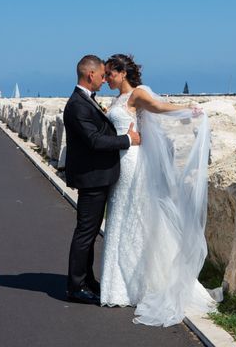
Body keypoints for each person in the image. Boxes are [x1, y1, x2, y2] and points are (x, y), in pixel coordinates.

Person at [100, 54, 215, 326]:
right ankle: (119, 285)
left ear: (122, 72)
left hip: (132, 162)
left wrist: (188, 107)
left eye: (109, 74)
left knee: (136, 217)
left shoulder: (138, 94)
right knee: (120, 217)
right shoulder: (116, 100)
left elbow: (160, 108)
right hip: (120, 160)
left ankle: (141, 284)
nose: (106, 79)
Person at [63, 55, 141, 305]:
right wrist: (128, 140)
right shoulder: (77, 105)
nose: (104, 79)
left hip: (96, 176)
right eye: (101, 75)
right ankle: (76, 286)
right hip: (91, 178)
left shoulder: (86, 101)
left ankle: (87, 279)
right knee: (86, 232)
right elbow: (95, 141)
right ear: (90, 75)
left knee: (91, 230)